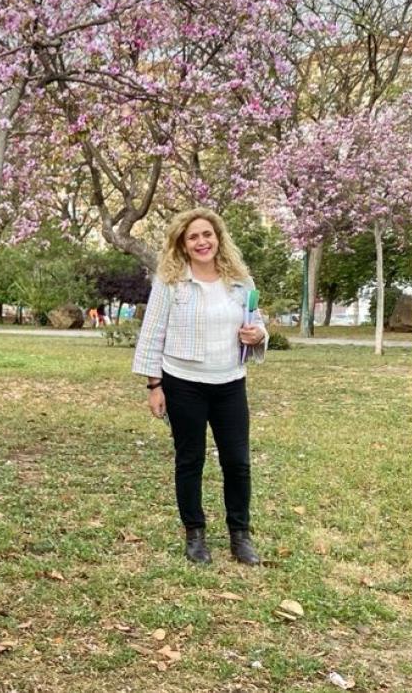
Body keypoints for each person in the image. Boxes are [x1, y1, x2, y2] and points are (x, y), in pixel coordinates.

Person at [132, 207, 268, 566]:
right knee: (190, 460)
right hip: (184, 384)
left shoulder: (240, 282)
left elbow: (257, 323)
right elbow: (152, 332)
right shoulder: (170, 282)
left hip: (230, 383)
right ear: (182, 243)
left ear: (218, 237)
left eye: (207, 234)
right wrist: (154, 385)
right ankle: (195, 534)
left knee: (237, 462)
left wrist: (258, 334)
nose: (201, 241)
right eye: (193, 236)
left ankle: (240, 535)